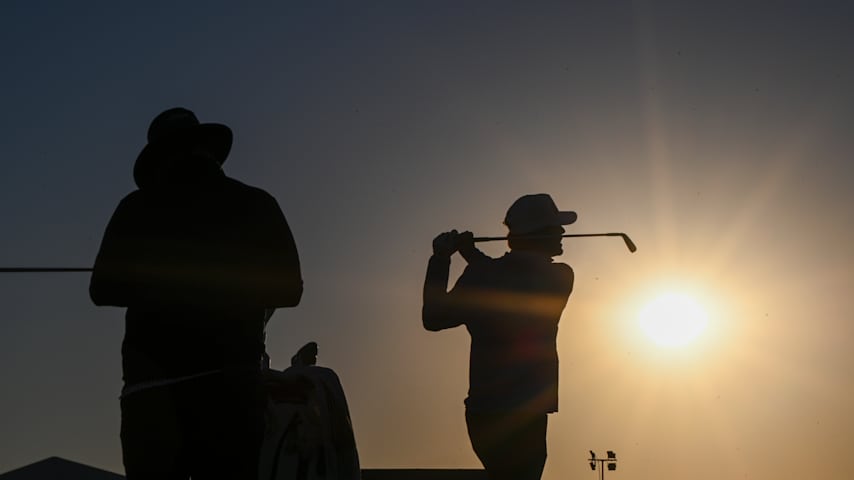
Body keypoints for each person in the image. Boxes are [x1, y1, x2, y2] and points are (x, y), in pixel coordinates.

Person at [89, 107, 303, 479]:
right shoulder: (255, 203)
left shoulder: (137, 208)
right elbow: (288, 289)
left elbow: (102, 287)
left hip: (176, 394)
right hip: (213, 393)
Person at [422, 193, 576, 480]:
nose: (562, 232)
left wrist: (443, 259)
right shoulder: (558, 276)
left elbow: (435, 316)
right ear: (539, 234)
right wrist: (463, 257)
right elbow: (433, 320)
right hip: (521, 414)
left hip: (486, 413)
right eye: (555, 227)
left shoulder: (482, 276)